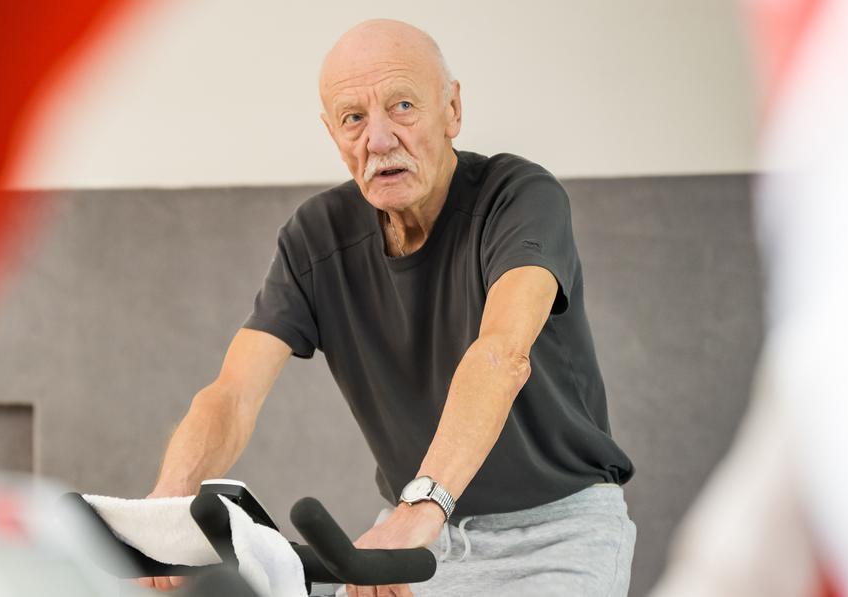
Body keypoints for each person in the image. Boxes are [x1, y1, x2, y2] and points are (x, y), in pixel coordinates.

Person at [138, 19, 635, 597]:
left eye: (402, 106)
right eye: (354, 118)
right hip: (415, 539)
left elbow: (502, 352)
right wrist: (172, 498)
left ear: (451, 109)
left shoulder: (519, 198)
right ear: (333, 133)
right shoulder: (315, 237)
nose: (377, 139)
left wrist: (424, 504)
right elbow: (233, 393)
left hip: (552, 536)